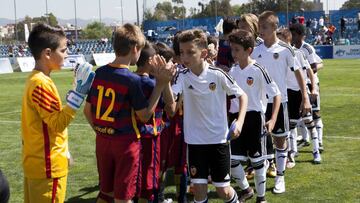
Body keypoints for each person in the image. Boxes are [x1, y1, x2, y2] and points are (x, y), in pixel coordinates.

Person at [83, 23, 175, 203]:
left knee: (106, 193)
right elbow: (145, 116)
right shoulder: (131, 80)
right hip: (125, 144)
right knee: (123, 197)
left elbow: (88, 111)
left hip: (102, 141)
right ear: (134, 48)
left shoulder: (100, 72)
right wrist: (161, 85)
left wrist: (102, 131)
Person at [21, 23, 95, 202]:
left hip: (37, 164)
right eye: (63, 50)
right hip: (48, 167)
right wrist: (78, 95)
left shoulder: (35, 79)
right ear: (47, 53)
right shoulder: (41, 83)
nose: (67, 54)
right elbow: (57, 123)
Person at [173, 29, 248, 203]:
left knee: (223, 190)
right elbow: (172, 102)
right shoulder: (181, 77)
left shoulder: (218, 74)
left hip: (218, 141)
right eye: (182, 52)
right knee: (199, 190)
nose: (185, 57)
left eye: (190, 52)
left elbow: (242, 96)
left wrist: (240, 123)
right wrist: (164, 82)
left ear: (204, 53)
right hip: (195, 142)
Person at [251, 11, 311, 194]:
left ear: (274, 28)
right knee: (257, 142)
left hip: (280, 102)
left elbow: (299, 73)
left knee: (280, 140)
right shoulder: (255, 50)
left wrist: (306, 97)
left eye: (264, 27)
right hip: (259, 104)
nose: (260, 30)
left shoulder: (286, 50)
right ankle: (259, 175)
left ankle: (280, 177)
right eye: (259, 27)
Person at [228, 29, 281, 203]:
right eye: (232, 49)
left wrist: (272, 119)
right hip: (237, 119)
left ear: (249, 50)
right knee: (233, 161)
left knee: (258, 162)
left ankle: (261, 198)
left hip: (255, 119)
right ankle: (246, 189)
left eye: (237, 49)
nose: (233, 53)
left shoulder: (259, 69)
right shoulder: (232, 70)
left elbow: (276, 94)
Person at [133, 41, 176, 203]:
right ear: (151, 61)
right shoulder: (151, 84)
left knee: (135, 181)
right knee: (149, 182)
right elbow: (171, 109)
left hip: (131, 138)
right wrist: (164, 82)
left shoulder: (130, 79)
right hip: (150, 137)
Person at [237, 13, 277, 179]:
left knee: (264, 129)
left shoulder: (261, 44)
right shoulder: (241, 44)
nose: (241, 29)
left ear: (253, 27)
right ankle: (253, 164)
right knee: (251, 131)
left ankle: (271, 161)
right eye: (240, 26)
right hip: (248, 91)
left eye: (244, 26)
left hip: (263, 91)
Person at [277, 27, 321, 166]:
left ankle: (316, 152)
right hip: (288, 94)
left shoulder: (298, 54)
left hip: (301, 93)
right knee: (290, 126)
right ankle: (291, 154)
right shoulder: (279, 55)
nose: (277, 42)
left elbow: (310, 72)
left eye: (280, 40)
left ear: (287, 39)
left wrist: (312, 89)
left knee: (309, 122)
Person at [290, 23, 325, 154]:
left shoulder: (307, 48)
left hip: (311, 84)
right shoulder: (291, 48)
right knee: (300, 115)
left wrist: (302, 71)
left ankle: (319, 141)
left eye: (294, 34)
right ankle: (305, 139)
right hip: (300, 85)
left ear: (300, 35)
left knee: (315, 113)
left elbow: (314, 67)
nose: (292, 37)